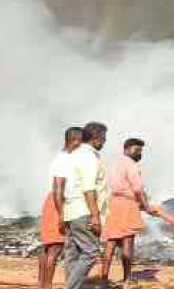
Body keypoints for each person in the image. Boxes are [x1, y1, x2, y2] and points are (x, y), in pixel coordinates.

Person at [101, 137, 158, 287]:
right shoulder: (131, 165)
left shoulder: (114, 164)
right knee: (127, 242)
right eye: (136, 150)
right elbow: (138, 189)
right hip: (127, 205)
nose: (139, 153)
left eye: (141, 151)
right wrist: (147, 207)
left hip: (113, 204)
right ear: (126, 149)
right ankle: (127, 279)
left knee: (110, 243)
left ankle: (104, 280)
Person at [63, 122, 110, 289]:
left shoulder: (73, 155)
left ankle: (75, 285)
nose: (104, 141)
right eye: (103, 137)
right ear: (96, 137)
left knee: (73, 253)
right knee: (91, 252)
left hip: (71, 210)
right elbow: (89, 188)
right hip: (84, 211)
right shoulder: (89, 157)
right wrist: (95, 216)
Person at [39, 126, 83, 289]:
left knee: (48, 247)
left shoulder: (59, 157)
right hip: (59, 202)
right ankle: (47, 285)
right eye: (82, 142)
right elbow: (59, 189)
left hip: (52, 201)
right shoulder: (66, 160)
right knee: (55, 247)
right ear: (75, 140)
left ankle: (43, 284)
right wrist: (62, 214)